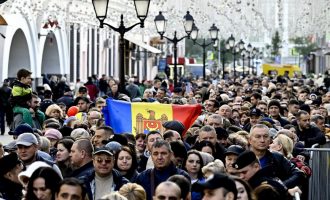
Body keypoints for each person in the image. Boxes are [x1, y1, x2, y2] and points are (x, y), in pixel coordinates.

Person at [248, 124, 305, 189]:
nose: (262, 140)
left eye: (265, 136)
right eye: (258, 137)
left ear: (270, 139)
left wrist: (280, 186)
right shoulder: (241, 157)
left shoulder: (277, 157)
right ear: (250, 140)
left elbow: (299, 174)